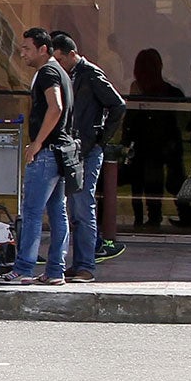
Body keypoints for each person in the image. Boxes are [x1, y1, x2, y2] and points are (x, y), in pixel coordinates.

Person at [0, 27, 78, 286]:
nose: (22, 54)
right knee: (57, 212)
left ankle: (23, 269)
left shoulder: (48, 72)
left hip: (47, 153)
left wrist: (37, 143)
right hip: (61, 154)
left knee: (32, 211)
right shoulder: (62, 72)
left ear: (44, 49)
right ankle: (55, 271)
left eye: (27, 49)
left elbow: (56, 107)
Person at [51, 32, 126, 282]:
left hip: (87, 149)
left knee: (83, 207)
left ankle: (85, 265)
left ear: (72, 54)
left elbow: (117, 105)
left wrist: (100, 139)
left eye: (60, 59)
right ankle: (79, 262)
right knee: (73, 209)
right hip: (70, 148)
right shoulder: (66, 75)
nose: (58, 64)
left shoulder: (90, 73)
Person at [123, 48, 185, 231]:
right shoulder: (169, 91)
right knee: (156, 179)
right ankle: (161, 216)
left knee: (157, 179)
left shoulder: (167, 92)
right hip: (156, 144)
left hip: (157, 145)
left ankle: (156, 216)